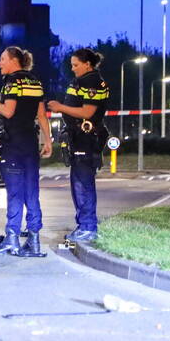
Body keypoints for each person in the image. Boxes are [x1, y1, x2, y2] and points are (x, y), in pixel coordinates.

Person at [0, 46, 52, 257]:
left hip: (13, 145)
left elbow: (9, 111)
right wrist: (48, 141)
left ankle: (12, 239)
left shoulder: (12, 82)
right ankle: (34, 241)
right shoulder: (35, 82)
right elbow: (41, 115)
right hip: (30, 145)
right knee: (32, 193)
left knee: (15, 193)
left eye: (2, 59)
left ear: (14, 60)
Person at [47, 48, 110, 242]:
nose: (73, 69)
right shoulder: (85, 80)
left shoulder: (91, 81)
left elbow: (87, 112)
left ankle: (88, 227)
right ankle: (84, 224)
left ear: (87, 64)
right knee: (78, 183)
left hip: (86, 138)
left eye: (75, 65)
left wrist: (59, 107)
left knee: (83, 184)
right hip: (79, 138)